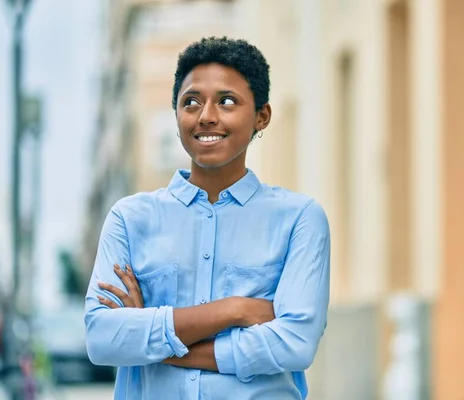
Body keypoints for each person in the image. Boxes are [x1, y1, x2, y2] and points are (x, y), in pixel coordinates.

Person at [84, 36, 331, 400]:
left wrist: (154, 339)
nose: (206, 116)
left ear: (262, 116)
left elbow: (294, 344)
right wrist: (234, 310)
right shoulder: (130, 219)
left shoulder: (298, 219)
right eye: (191, 102)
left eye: (227, 101)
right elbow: (103, 339)